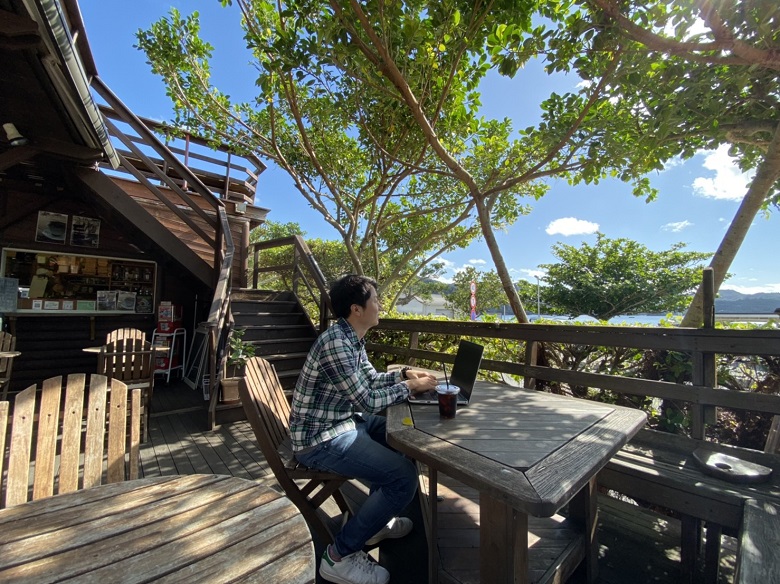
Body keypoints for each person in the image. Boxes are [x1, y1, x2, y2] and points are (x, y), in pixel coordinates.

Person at [290, 274, 438, 584]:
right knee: (403, 478)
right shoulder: (336, 343)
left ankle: (376, 521)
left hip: (342, 420)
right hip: (320, 438)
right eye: (376, 300)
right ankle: (339, 555)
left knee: (401, 440)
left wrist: (404, 376)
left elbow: (369, 380)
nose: (380, 305)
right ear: (357, 309)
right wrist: (410, 386)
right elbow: (367, 400)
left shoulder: (351, 338)